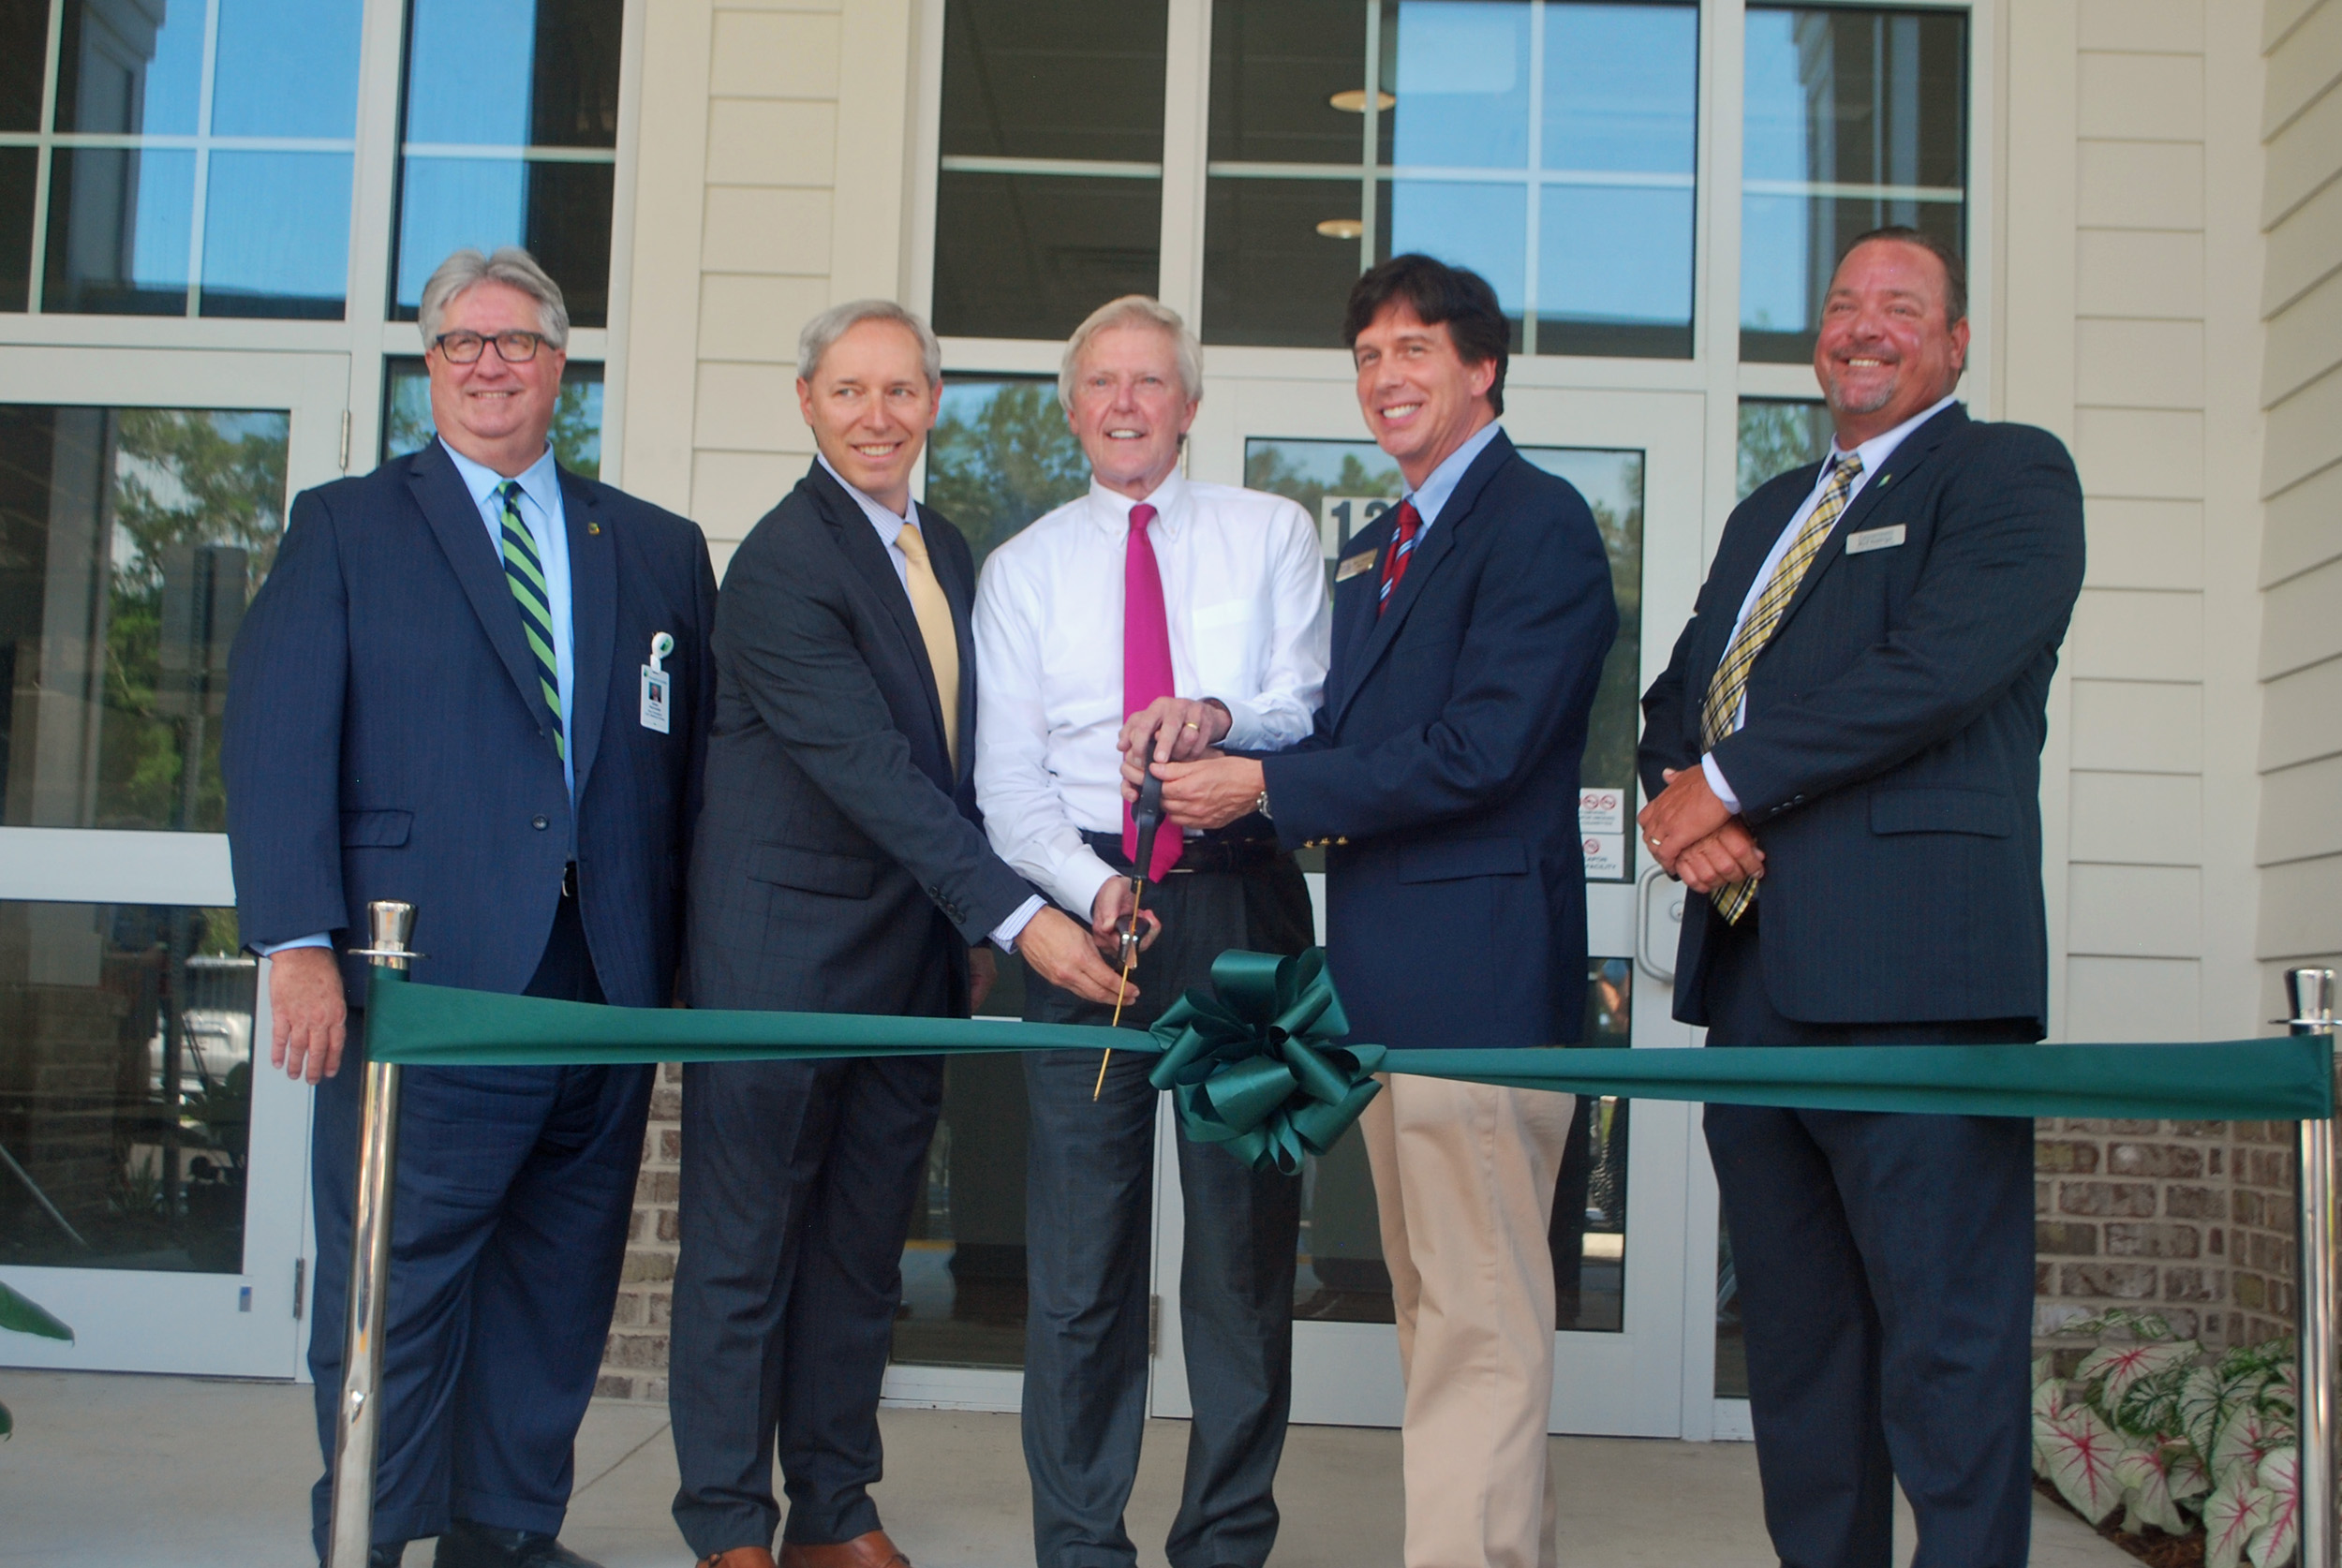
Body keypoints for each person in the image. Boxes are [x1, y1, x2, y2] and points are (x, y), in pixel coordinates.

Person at [223, 246, 717, 1568]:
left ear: (561, 366)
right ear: (431, 366)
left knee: (558, 1288)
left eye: (517, 342)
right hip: (423, 974)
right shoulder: (346, 526)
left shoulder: (658, 551)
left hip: (602, 975)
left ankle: (503, 1534)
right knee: (402, 1288)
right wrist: (297, 945)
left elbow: (694, 773)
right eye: (462, 343)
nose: (490, 364)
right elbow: (276, 745)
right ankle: (371, 1532)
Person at [1131, 256, 1617, 1568]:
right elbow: (1348, 725)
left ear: (1482, 368)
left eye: (1415, 349)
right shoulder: (1379, 542)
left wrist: (1270, 784)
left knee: (1480, 1320)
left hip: (1484, 987)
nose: (1387, 377)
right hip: (1388, 988)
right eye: (1367, 355)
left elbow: (1485, 748)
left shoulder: (1539, 523)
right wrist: (1226, 733)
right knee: (1439, 1310)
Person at [1637, 227, 2084, 1568]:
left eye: (1902, 305)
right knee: (1802, 1364)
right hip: (1759, 989)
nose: (1865, 325)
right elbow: (1675, 701)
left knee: (1948, 1363)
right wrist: (1684, 805)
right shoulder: (1767, 511)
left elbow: (1935, 670)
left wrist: (1721, 784)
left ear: (1955, 342)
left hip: (1922, 991)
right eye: (1843, 304)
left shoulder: (2009, 475)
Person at [669, 301, 1131, 1568]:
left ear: (933, 403)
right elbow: (871, 771)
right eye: (851, 391)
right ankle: (724, 1522)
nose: (878, 415)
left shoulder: (951, 548)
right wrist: (1019, 917)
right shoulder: (778, 564)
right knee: (745, 1253)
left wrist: (999, 907)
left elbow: (974, 762)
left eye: (902, 391)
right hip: (778, 962)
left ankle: (832, 1506)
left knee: (862, 1256)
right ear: (807, 402)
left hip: (910, 962)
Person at [972, 296, 1329, 1568]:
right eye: (1103, 383)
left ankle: (1226, 1542)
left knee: (1242, 1261)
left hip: (1243, 909)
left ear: (1188, 404)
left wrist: (1218, 714)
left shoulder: (1272, 530)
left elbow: (1307, 703)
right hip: (1090, 930)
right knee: (1079, 1268)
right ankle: (1079, 1546)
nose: (1127, 402)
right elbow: (1006, 788)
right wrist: (1087, 887)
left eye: (1151, 381)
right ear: (1072, 407)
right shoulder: (1021, 571)